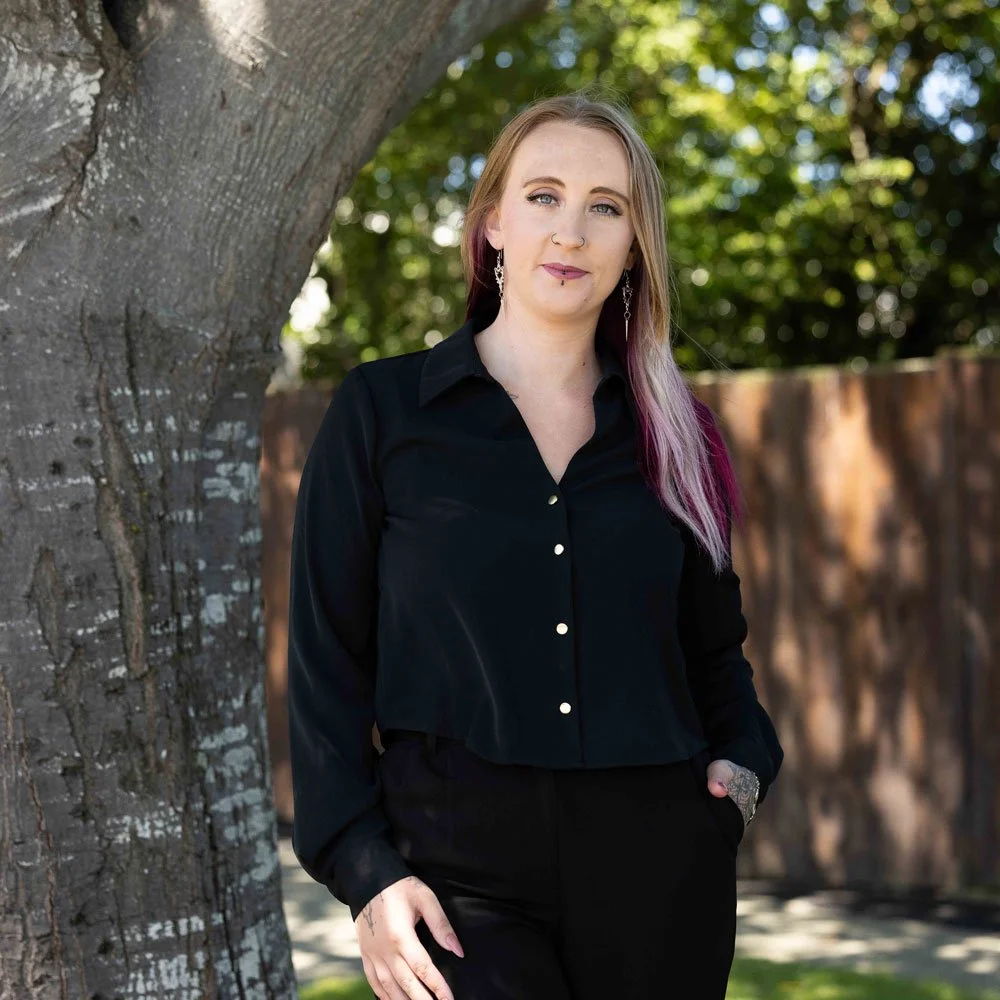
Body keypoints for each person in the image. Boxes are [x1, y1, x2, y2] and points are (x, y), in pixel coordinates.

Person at [287, 88, 783, 1000]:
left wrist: (743, 769)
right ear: (492, 227)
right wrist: (363, 870)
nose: (573, 231)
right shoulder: (381, 414)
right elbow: (326, 663)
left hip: (659, 865)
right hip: (452, 875)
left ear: (635, 244)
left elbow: (716, 650)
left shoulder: (679, 433)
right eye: (544, 195)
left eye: (607, 207)